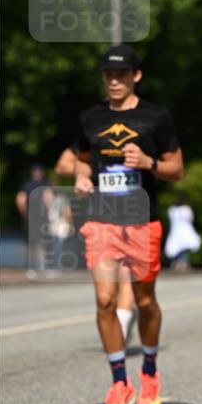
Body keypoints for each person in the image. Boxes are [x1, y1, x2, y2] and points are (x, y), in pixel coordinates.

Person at [73, 44, 183, 404]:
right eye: (108, 75)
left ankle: (149, 372)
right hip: (102, 221)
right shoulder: (90, 118)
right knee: (105, 301)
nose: (114, 81)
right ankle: (119, 383)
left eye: (121, 75)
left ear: (136, 76)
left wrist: (149, 163)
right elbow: (79, 159)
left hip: (142, 222)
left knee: (145, 302)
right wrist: (81, 175)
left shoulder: (156, 117)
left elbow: (177, 169)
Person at [56, 146, 138, 342]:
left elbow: (168, 166)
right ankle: (122, 315)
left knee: (126, 272)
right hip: (100, 216)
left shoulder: (143, 127)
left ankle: (123, 323)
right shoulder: (92, 130)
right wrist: (92, 166)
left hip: (135, 212)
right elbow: (62, 166)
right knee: (108, 285)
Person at [16, 163, 50, 277]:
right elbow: (48, 199)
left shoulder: (27, 184)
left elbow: (20, 199)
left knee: (33, 243)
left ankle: (33, 268)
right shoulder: (42, 184)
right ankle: (40, 267)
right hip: (39, 217)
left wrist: (25, 214)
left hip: (33, 217)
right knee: (40, 242)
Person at [165, 194, 201, 272]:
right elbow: (191, 219)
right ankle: (181, 264)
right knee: (182, 249)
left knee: (179, 248)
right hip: (183, 231)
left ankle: (179, 264)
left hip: (177, 231)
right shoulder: (186, 209)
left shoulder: (172, 210)